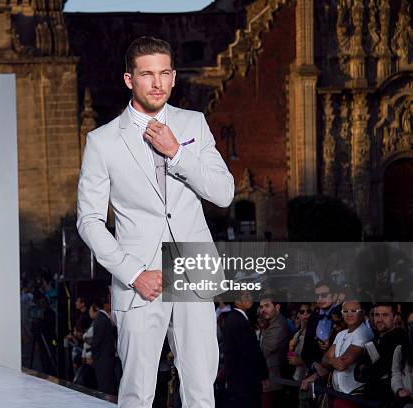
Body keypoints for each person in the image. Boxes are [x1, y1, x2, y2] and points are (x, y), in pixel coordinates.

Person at [77, 36, 234, 407]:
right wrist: (133, 273)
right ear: (130, 79)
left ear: (174, 77)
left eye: (164, 73)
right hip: (141, 278)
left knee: (201, 389)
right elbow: (89, 221)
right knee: (136, 391)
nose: (157, 83)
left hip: (195, 267)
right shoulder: (102, 141)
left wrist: (177, 153)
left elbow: (224, 193)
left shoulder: (193, 122)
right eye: (147, 74)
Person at [221, 291, 269, 408]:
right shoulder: (239, 321)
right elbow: (250, 351)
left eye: (250, 296)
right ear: (237, 301)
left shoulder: (233, 318)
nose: (250, 299)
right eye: (246, 297)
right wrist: (263, 374)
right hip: (245, 382)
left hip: (238, 380)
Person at [323, 300, 374, 408]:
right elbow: (324, 360)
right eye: (345, 311)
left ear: (362, 313)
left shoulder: (364, 332)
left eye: (354, 311)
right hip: (338, 393)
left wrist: (331, 360)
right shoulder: (340, 334)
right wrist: (332, 361)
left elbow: (341, 364)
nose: (349, 314)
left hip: (354, 395)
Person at [356, 303, 407, 401]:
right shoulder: (375, 338)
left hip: (387, 399)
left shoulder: (399, 339)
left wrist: (365, 370)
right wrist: (364, 368)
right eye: (376, 315)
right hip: (370, 396)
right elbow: (359, 366)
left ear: (395, 317)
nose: (379, 319)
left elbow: (377, 371)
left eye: (385, 315)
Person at [258, 293, 290, 408]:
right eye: (261, 307)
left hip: (272, 380)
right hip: (268, 379)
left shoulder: (278, 326)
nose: (263, 310)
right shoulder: (269, 323)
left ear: (277, 307)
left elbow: (264, 351)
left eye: (267, 306)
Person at [88, 302, 116, 394]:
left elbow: (97, 341)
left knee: (104, 385)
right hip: (106, 357)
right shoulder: (104, 319)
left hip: (102, 358)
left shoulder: (100, 319)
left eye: (90, 310)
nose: (89, 312)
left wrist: (92, 355)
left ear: (94, 308)